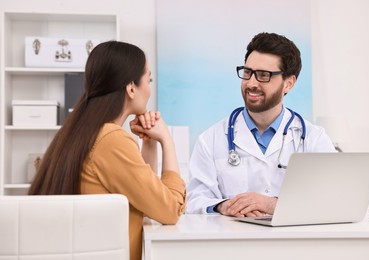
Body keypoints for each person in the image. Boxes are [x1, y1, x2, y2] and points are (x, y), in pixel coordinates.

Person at [28, 41, 186, 260]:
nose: (149, 89)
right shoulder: (112, 140)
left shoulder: (82, 131)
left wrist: (150, 142)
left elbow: (147, 199)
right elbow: (171, 210)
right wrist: (167, 140)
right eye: (148, 79)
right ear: (131, 88)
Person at [186, 32, 335, 216]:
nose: (251, 83)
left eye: (263, 75)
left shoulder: (313, 139)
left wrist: (271, 205)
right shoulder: (211, 139)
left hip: (295, 244)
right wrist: (223, 206)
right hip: (233, 243)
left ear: (288, 83)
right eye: (248, 72)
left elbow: (332, 200)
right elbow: (193, 202)